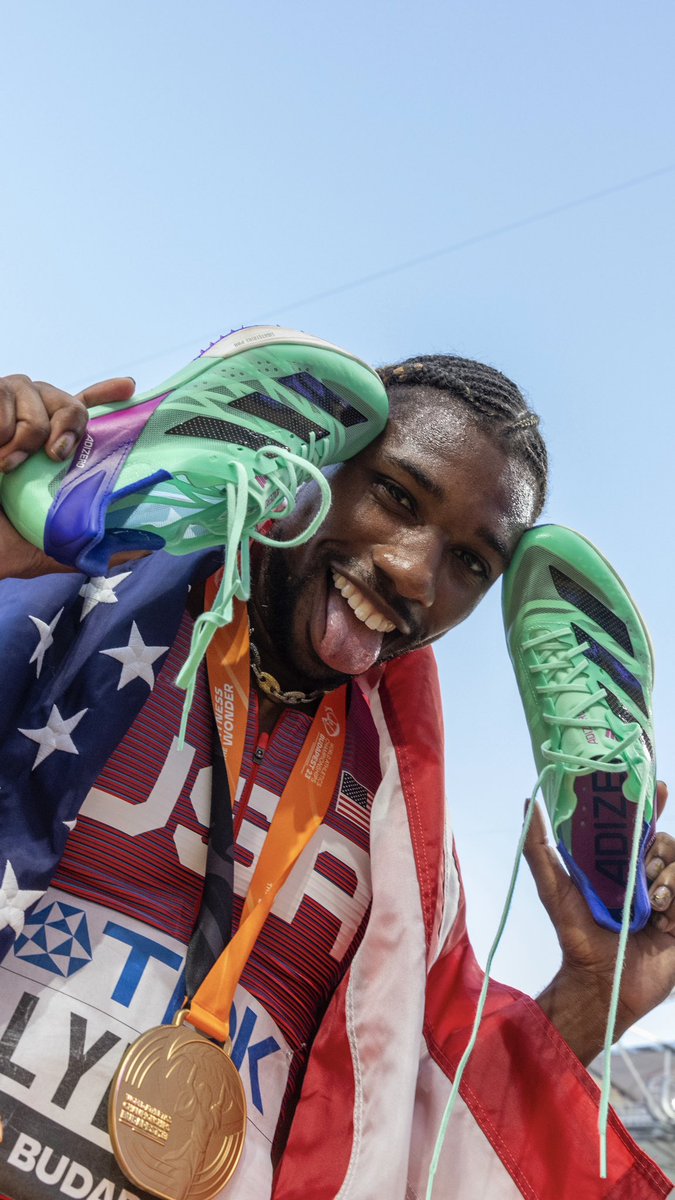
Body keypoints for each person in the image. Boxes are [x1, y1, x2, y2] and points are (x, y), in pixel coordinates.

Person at [0, 354, 674, 1200]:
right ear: (312, 457)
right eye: (396, 495)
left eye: (470, 562)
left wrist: (596, 984)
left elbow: (403, 1136)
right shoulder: (64, 601)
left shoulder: (404, 843)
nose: (414, 574)